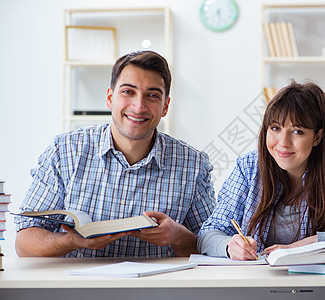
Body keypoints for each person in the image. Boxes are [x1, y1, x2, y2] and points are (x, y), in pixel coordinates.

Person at [15, 51, 215, 258]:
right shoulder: (64, 151)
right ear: (110, 98)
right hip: (76, 288)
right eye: (128, 92)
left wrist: (179, 236)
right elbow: (23, 243)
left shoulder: (193, 164)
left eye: (152, 95)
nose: (139, 106)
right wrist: (71, 241)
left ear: (165, 106)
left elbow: (212, 246)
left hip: (154, 289)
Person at [198, 80, 325, 260]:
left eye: (297, 131)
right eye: (275, 128)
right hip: (255, 287)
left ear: (317, 136)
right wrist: (229, 246)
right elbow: (208, 234)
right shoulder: (249, 167)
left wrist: (317, 243)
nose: (283, 142)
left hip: (321, 289)